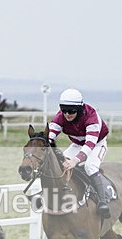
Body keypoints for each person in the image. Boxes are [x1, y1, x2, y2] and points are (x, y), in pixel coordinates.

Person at [48, 88, 112, 218]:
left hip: (97, 144)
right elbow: (49, 137)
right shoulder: (60, 116)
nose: (67, 114)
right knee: (60, 165)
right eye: (64, 109)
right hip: (77, 144)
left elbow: (90, 144)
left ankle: (102, 201)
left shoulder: (91, 117)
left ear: (80, 108)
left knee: (90, 166)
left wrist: (75, 161)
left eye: (71, 110)